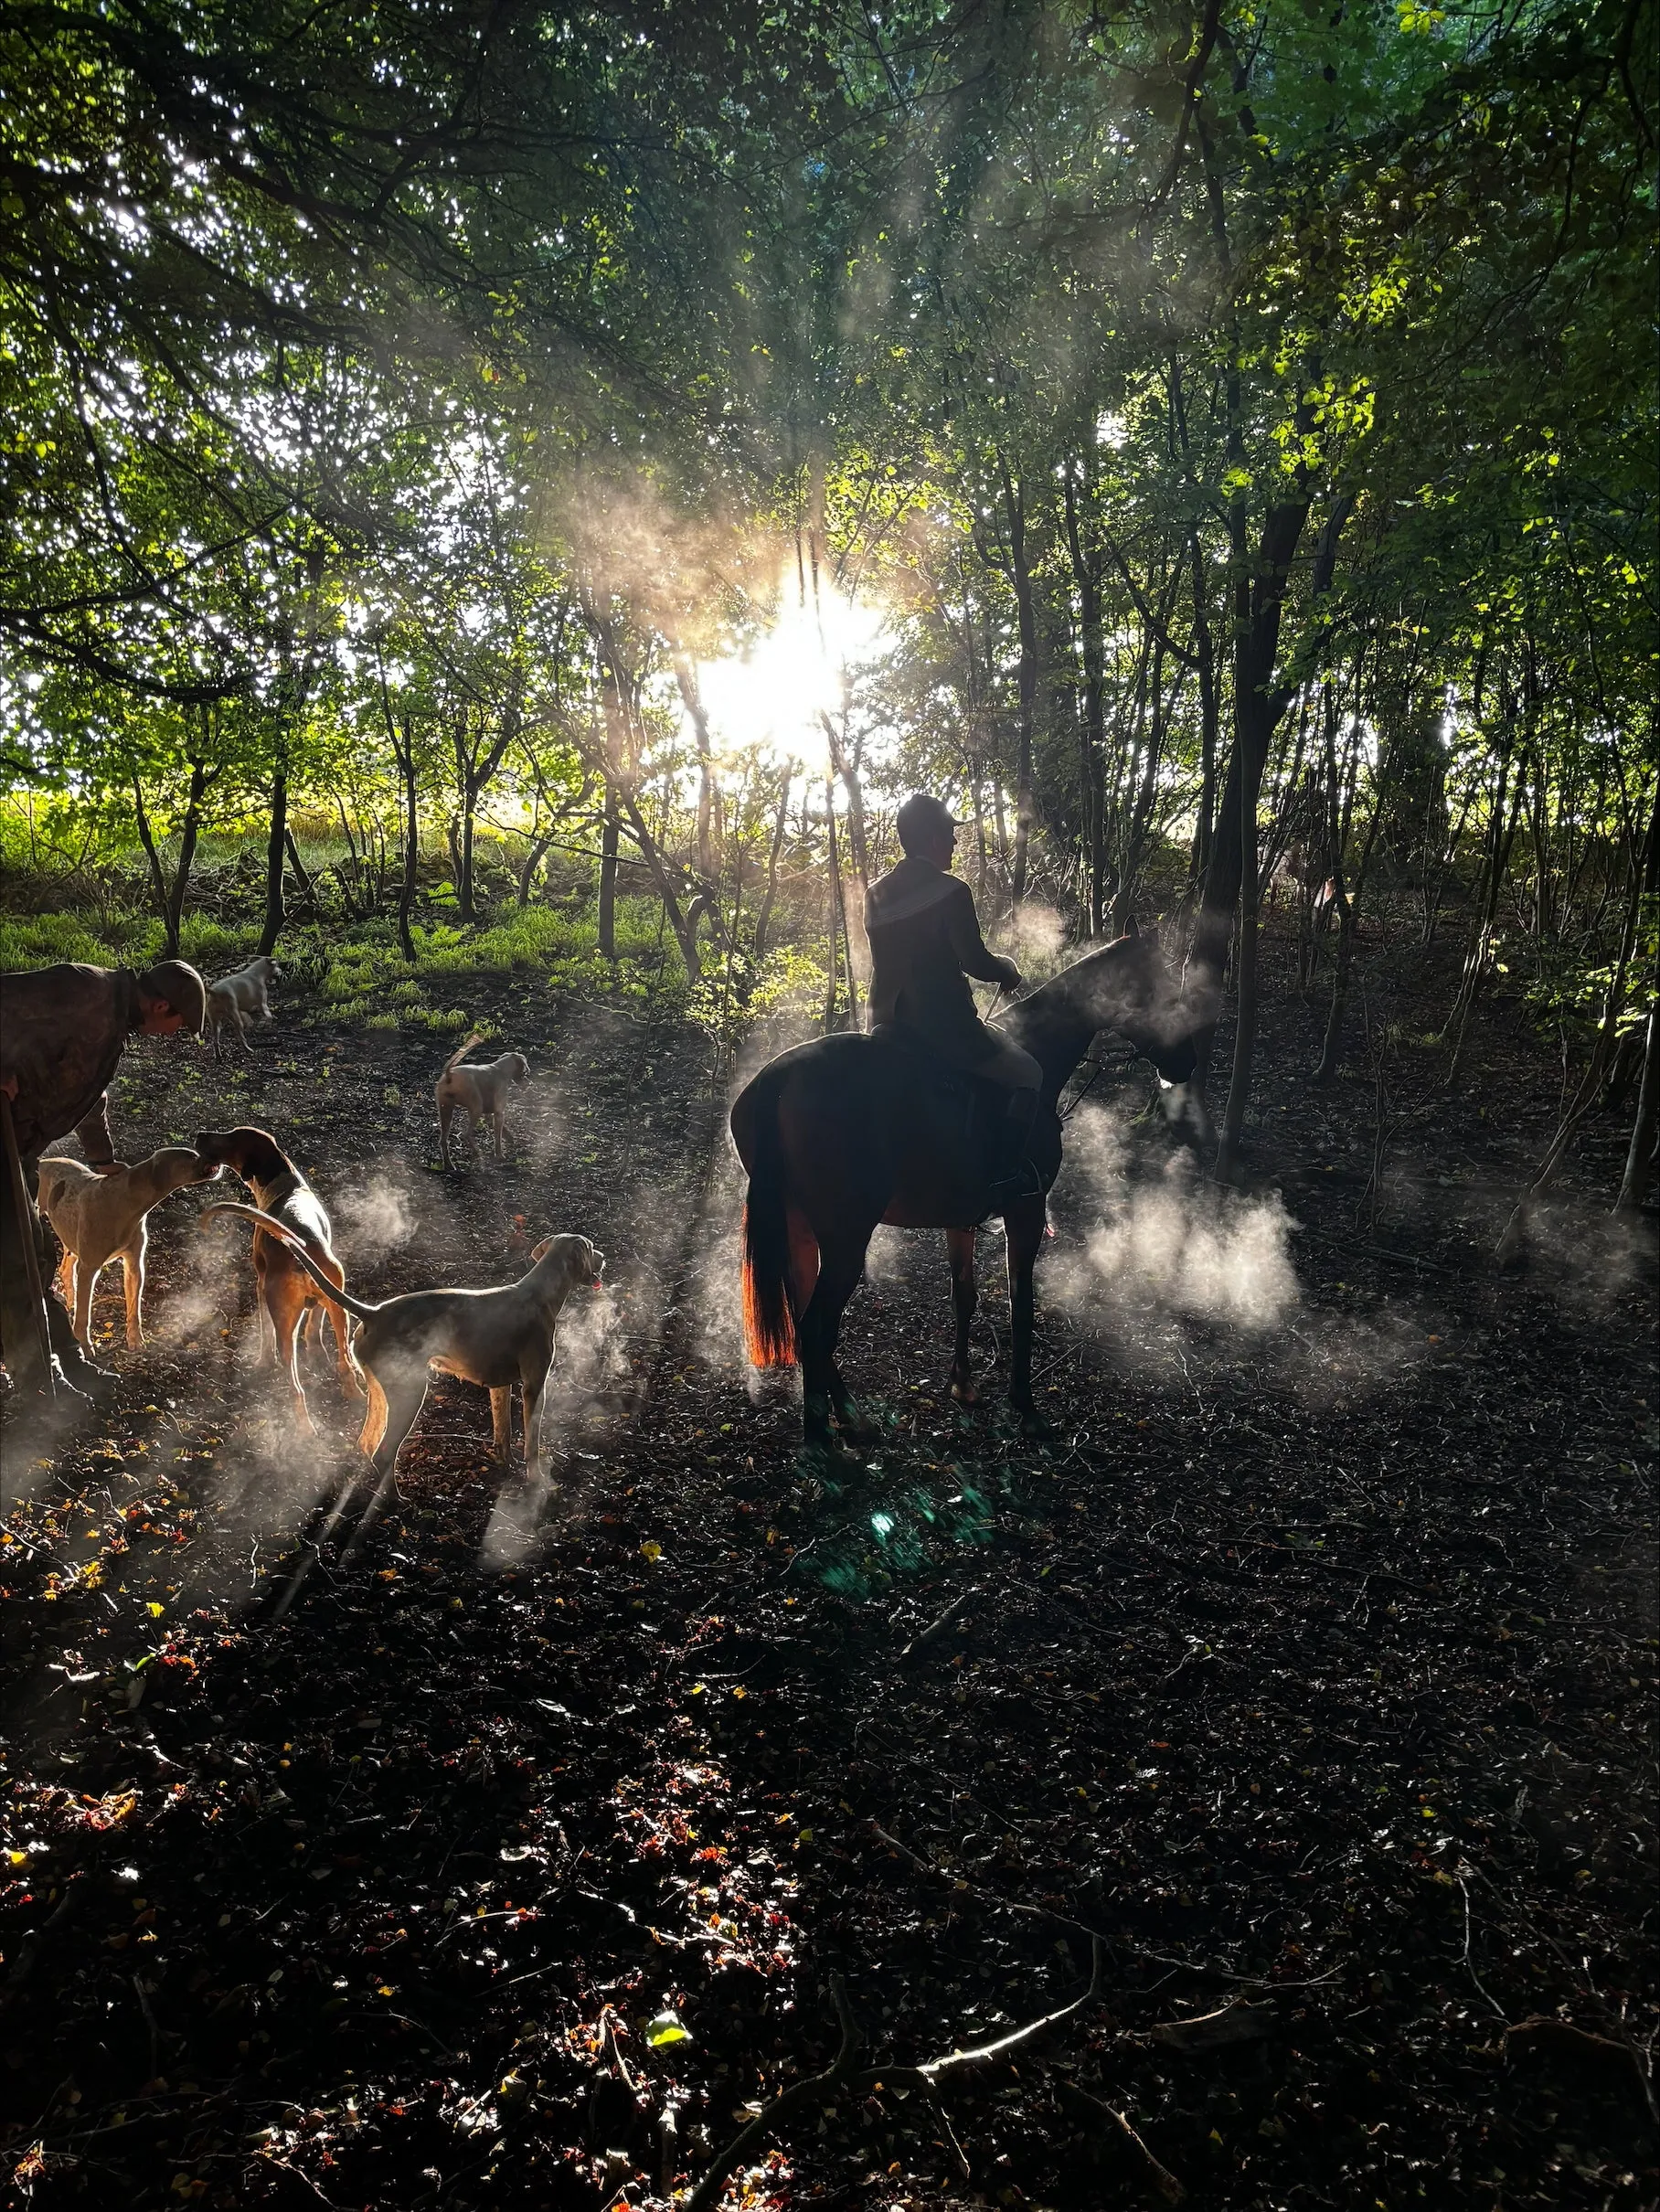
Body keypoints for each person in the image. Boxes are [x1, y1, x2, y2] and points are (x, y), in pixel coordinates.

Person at [0, 958, 207, 1409]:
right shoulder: (82, 989)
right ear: (161, 1004)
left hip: (20, 1145)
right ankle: (39, 1386)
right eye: (178, 1024)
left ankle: (68, 1361)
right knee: (14, 1264)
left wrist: (101, 1159)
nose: (174, 1034)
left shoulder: (114, 1025)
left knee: (37, 1256)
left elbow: (90, 1095)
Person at [863, 793, 1043, 1203]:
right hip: (943, 1026)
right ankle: (1004, 1174)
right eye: (949, 834)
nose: (955, 843)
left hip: (884, 1022)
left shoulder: (874, 892)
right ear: (930, 838)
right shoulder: (951, 891)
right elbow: (974, 960)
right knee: (1029, 1073)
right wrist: (1007, 969)